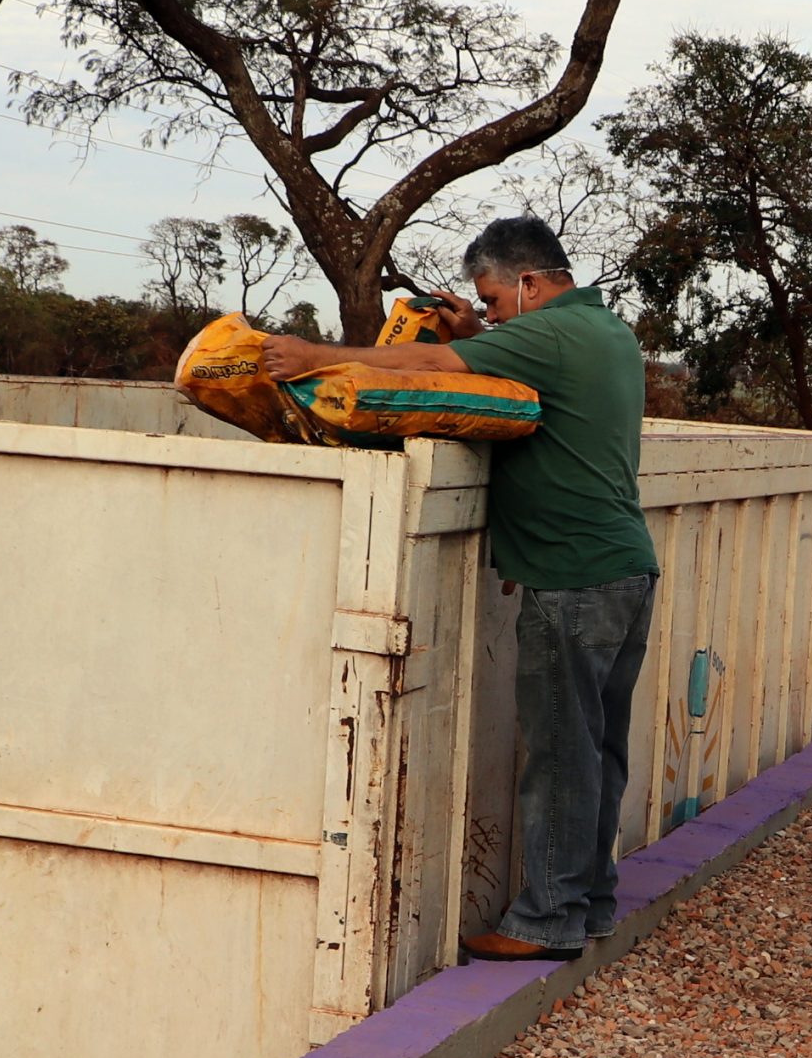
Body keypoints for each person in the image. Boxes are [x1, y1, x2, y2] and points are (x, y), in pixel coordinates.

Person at [261, 217, 657, 963]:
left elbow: (429, 360)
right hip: (625, 566)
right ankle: (590, 902)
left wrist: (315, 354)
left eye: (497, 301)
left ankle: (548, 920)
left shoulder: (551, 335)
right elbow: (502, 355)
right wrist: (482, 326)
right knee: (598, 750)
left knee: (560, 754)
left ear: (532, 284)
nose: (494, 315)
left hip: (571, 577)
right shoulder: (604, 331)